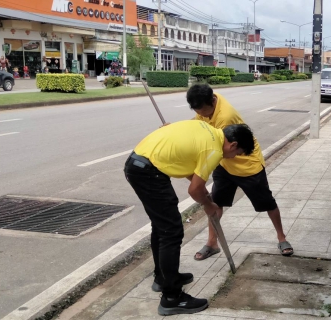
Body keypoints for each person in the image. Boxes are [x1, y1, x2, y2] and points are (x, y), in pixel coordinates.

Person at [124, 120, 256, 315]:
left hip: (138, 163)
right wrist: (208, 203)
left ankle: (163, 278)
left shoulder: (208, 131)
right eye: (236, 153)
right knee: (171, 232)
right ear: (233, 145)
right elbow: (194, 190)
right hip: (149, 172)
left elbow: (192, 173)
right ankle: (172, 298)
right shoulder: (215, 150)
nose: (233, 157)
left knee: (161, 227)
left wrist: (203, 191)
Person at [186, 84, 294, 260]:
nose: (203, 114)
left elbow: (210, 143)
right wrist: (175, 128)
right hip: (224, 162)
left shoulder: (225, 116)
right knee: (216, 203)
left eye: (205, 111)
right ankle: (212, 243)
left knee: (267, 203)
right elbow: (198, 123)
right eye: (199, 111)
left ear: (212, 101)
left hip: (246, 164)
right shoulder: (206, 101)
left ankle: (281, 237)